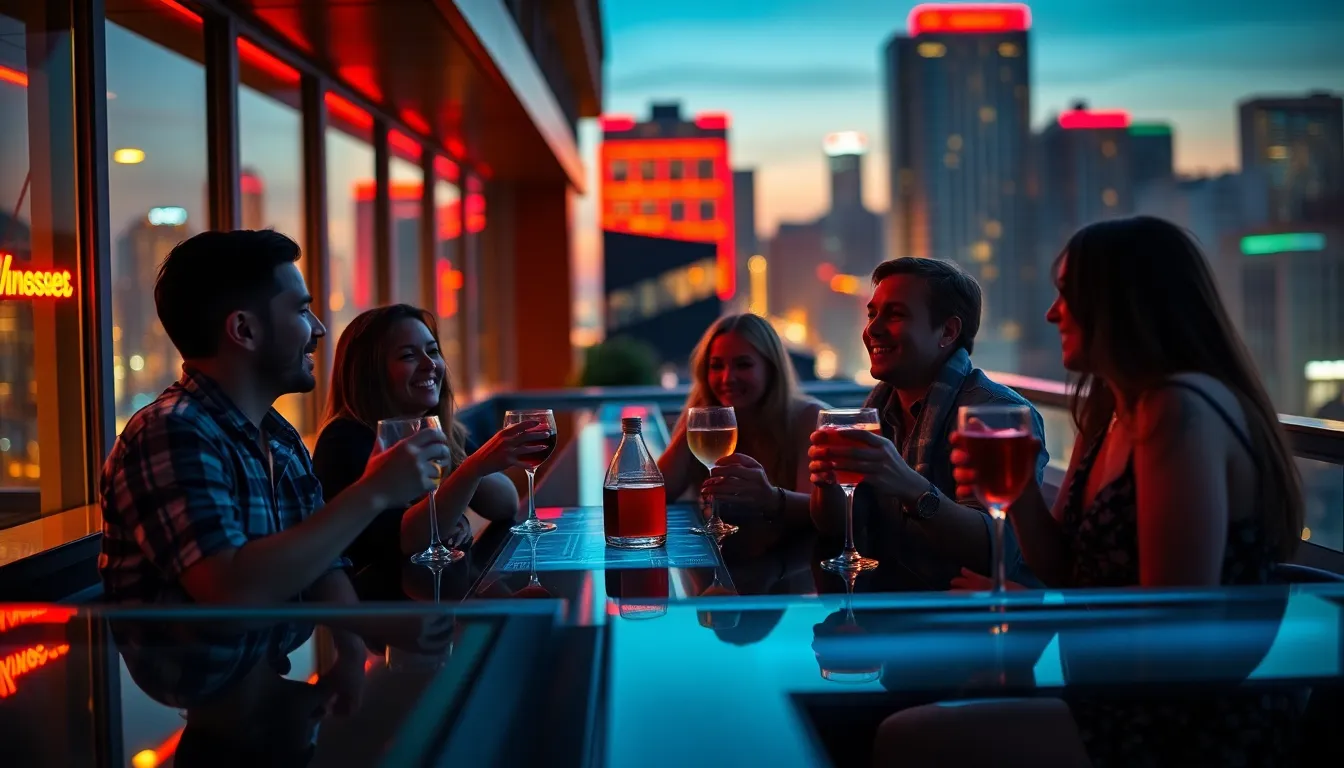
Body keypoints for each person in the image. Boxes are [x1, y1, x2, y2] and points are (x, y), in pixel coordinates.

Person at [878, 216, 1305, 765]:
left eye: (1066, 295)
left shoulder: (1178, 409)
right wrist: (1020, 494)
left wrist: (1039, 612)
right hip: (1110, 690)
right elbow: (1063, 567)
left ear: (1123, 302)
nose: (1053, 312)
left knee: (906, 737)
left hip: (1181, 719)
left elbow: (1176, 623)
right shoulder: (1109, 408)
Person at [100, 230, 447, 608]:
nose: (319, 328)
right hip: (221, 670)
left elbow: (327, 569)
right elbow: (231, 590)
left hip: (282, 667)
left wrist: (367, 648)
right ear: (244, 330)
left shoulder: (280, 437)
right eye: (300, 310)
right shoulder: (170, 432)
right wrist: (374, 490)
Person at [807, 257, 1048, 588]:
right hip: (894, 609)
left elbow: (999, 549)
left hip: (971, 620)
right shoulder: (878, 408)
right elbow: (837, 528)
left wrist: (908, 485)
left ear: (948, 331)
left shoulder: (996, 415)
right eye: (872, 313)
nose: (872, 329)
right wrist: (828, 484)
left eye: (895, 314)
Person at [312, 304, 541, 571]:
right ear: (369, 373)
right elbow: (405, 538)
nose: (429, 364)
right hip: (372, 603)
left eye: (432, 351)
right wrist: (471, 471)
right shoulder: (344, 439)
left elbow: (505, 504)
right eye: (409, 356)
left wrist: (455, 496)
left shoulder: (432, 429)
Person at [659, 313, 827, 528]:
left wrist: (771, 498)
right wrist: (695, 422)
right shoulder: (703, 419)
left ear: (771, 368)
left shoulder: (808, 417)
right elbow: (658, 492)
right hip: (726, 554)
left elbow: (820, 511)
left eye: (743, 364)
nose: (727, 378)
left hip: (793, 556)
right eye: (716, 366)